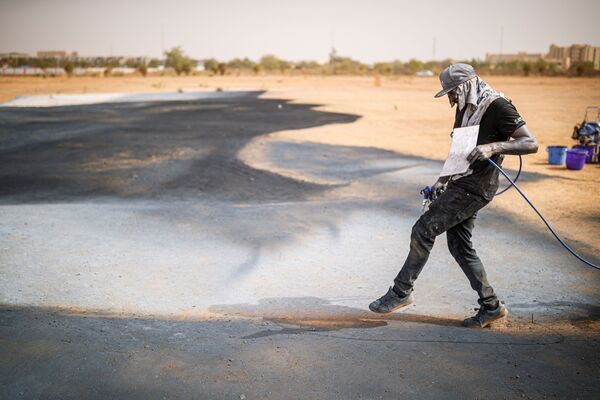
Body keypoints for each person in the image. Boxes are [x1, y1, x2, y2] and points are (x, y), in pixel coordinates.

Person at [369, 63, 538, 328]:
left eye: (451, 92)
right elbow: (459, 149)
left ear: (465, 87)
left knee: (423, 230)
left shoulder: (498, 106)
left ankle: (401, 292)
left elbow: (530, 142)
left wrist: (493, 147)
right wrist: (442, 180)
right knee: (460, 246)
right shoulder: (466, 106)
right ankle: (491, 306)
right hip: (460, 182)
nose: (450, 98)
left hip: (476, 187)